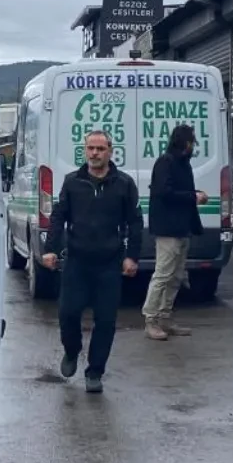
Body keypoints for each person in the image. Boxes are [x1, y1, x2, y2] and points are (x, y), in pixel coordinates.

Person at [40, 130, 142, 394]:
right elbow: (58, 217)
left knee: (106, 321)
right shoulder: (72, 182)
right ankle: (72, 350)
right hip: (77, 261)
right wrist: (51, 249)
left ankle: (95, 372)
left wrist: (132, 256)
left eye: (100, 149)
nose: (95, 153)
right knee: (68, 313)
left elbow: (135, 222)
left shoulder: (124, 184)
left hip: (109, 263)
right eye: (90, 148)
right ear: (85, 150)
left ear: (110, 151)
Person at [143, 124, 207, 340]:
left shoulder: (182, 164)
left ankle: (165, 317)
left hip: (182, 227)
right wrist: (193, 197)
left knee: (176, 276)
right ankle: (151, 319)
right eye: (191, 141)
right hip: (168, 228)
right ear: (185, 142)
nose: (193, 145)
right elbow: (163, 192)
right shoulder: (166, 162)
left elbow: (178, 191)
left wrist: (194, 194)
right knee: (162, 275)